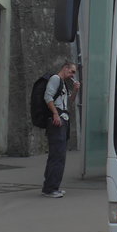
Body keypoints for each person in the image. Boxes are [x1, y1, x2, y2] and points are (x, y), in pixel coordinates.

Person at [42, 61, 79, 198]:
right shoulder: (55, 79)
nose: (72, 75)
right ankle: (51, 188)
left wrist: (75, 90)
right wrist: (55, 114)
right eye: (72, 71)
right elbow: (48, 97)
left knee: (58, 155)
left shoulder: (63, 83)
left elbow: (69, 101)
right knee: (57, 155)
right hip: (57, 121)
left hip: (63, 120)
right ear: (65, 68)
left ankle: (52, 186)